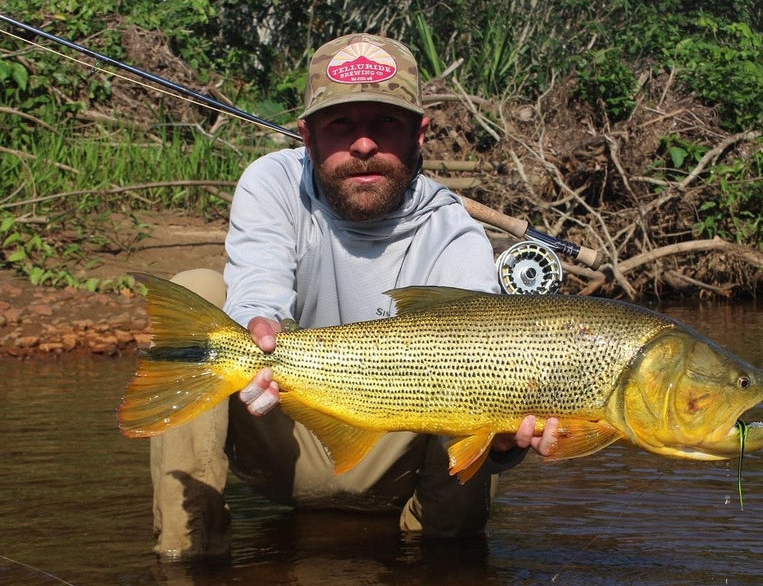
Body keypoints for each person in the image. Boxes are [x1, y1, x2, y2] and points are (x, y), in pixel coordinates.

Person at [151, 33, 558, 560]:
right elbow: (258, 284)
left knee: (480, 376)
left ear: (420, 134)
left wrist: (505, 444)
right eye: (341, 124)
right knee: (199, 292)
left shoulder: (454, 233)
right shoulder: (272, 183)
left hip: (397, 467)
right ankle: (188, 559)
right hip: (283, 423)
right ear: (308, 135)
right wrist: (257, 323)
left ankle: (441, 564)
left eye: (386, 123)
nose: (363, 144)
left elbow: (488, 382)